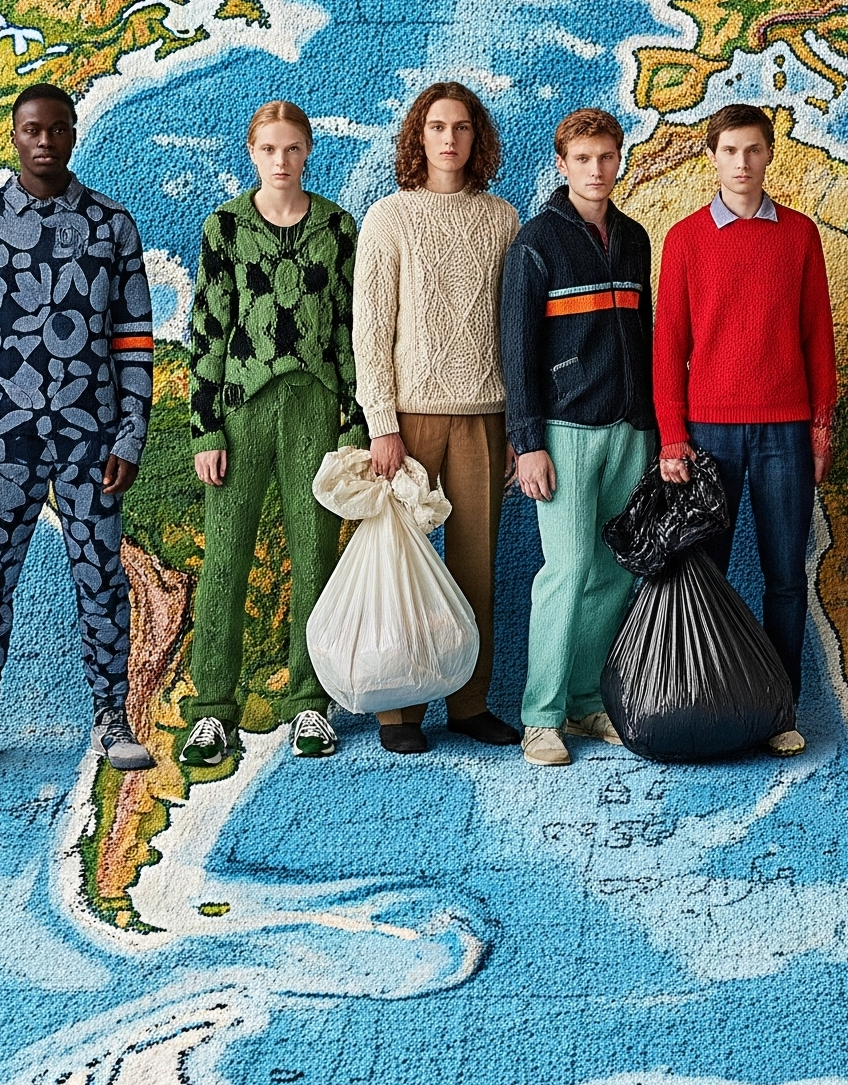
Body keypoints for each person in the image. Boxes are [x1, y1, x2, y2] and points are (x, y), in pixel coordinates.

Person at [0, 83, 155, 778]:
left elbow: (132, 339)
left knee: (99, 575)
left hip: (91, 437)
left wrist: (130, 433)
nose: (45, 141)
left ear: (72, 134)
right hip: (4, 441)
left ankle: (111, 715)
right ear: (14, 135)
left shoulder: (110, 224)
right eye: (33, 129)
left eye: (58, 129)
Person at [654, 103, 837, 757]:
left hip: (785, 431)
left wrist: (822, 422)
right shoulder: (684, 239)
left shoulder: (799, 235)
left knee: (786, 576)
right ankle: (713, 699)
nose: (742, 162)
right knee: (709, 572)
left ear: (768, 155)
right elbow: (668, 343)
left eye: (753, 149)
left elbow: (819, 334)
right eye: (729, 150)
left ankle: (778, 710)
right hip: (707, 435)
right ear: (712, 156)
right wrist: (672, 436)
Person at [183, 100, 361, 768]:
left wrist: (355, 420)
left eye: (292, 149)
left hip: (315, 406)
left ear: (308, 150)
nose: (281, 161)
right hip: (240, 407)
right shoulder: (225, 227)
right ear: (251, 153)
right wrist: (205, 430)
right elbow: (205, 329)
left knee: (315, 554)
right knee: (226, 557)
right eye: (269, 149)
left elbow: (349, 329)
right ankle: (212, 711)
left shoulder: (339, 227)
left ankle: (309, 702)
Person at [352, 81, 521, 754]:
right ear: (417, 138)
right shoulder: (388, 218)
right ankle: (402, 711)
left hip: (485, 414)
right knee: (407, 567)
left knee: (476, 568)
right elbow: (370, 330)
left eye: (462, 127)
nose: (449, 139)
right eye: (436, 127)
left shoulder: (503, 219)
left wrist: (519, 430)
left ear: (477, 139)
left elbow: (513, 332)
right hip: (410, 420)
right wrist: (381, 423)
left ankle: (471, 701)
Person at [501, 107, 654, 767]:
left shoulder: (635, 238)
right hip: (562, 434)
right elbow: (517, 347)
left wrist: (651, 425)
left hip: (629, 430)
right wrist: (526, 441)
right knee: (564, 573)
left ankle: (588, 703)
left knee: (613, 572)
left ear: (620, 161)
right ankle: (541, 717)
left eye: (607, 157)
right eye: (583, 159)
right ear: (562, 166)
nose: (597, 170)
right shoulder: (537, 242)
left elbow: (645, 339)